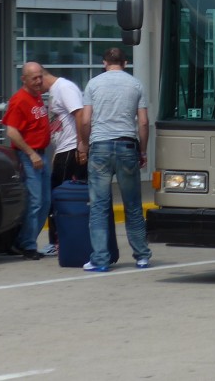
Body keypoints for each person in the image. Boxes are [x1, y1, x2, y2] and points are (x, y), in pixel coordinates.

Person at [77, 47, 152, 272]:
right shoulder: (136, 85)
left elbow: (85, 120)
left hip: (100, 147)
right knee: (132, 204)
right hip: (127, 145)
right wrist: (143, 151)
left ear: (104, 63)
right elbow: (144, 123)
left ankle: (100, 259)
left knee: (99, 206)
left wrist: (84, 143)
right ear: (125, 63)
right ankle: (141, 255)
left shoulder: (93, 84)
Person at [1, 62, 51, 259]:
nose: (39, 81)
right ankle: (27, 245)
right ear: (24, 79)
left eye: (40, 77)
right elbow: (12, 132)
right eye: (34, 78)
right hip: (30, 156)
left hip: (42, 154)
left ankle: (25, 240)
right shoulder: (19, 100)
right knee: (35, 201)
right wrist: (31, 153)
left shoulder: (37, 97)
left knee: (46, 201)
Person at [42, 67, 87, 257]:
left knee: (57, 196)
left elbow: (79, 114)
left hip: (70, 149)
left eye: (37, 79)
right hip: (63, 150)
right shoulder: (55, 91)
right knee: (56, 195)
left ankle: (57, 241)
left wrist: (80, 144)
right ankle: (60, 240)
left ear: (43, 75)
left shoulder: (64, 88)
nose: (36, 85)